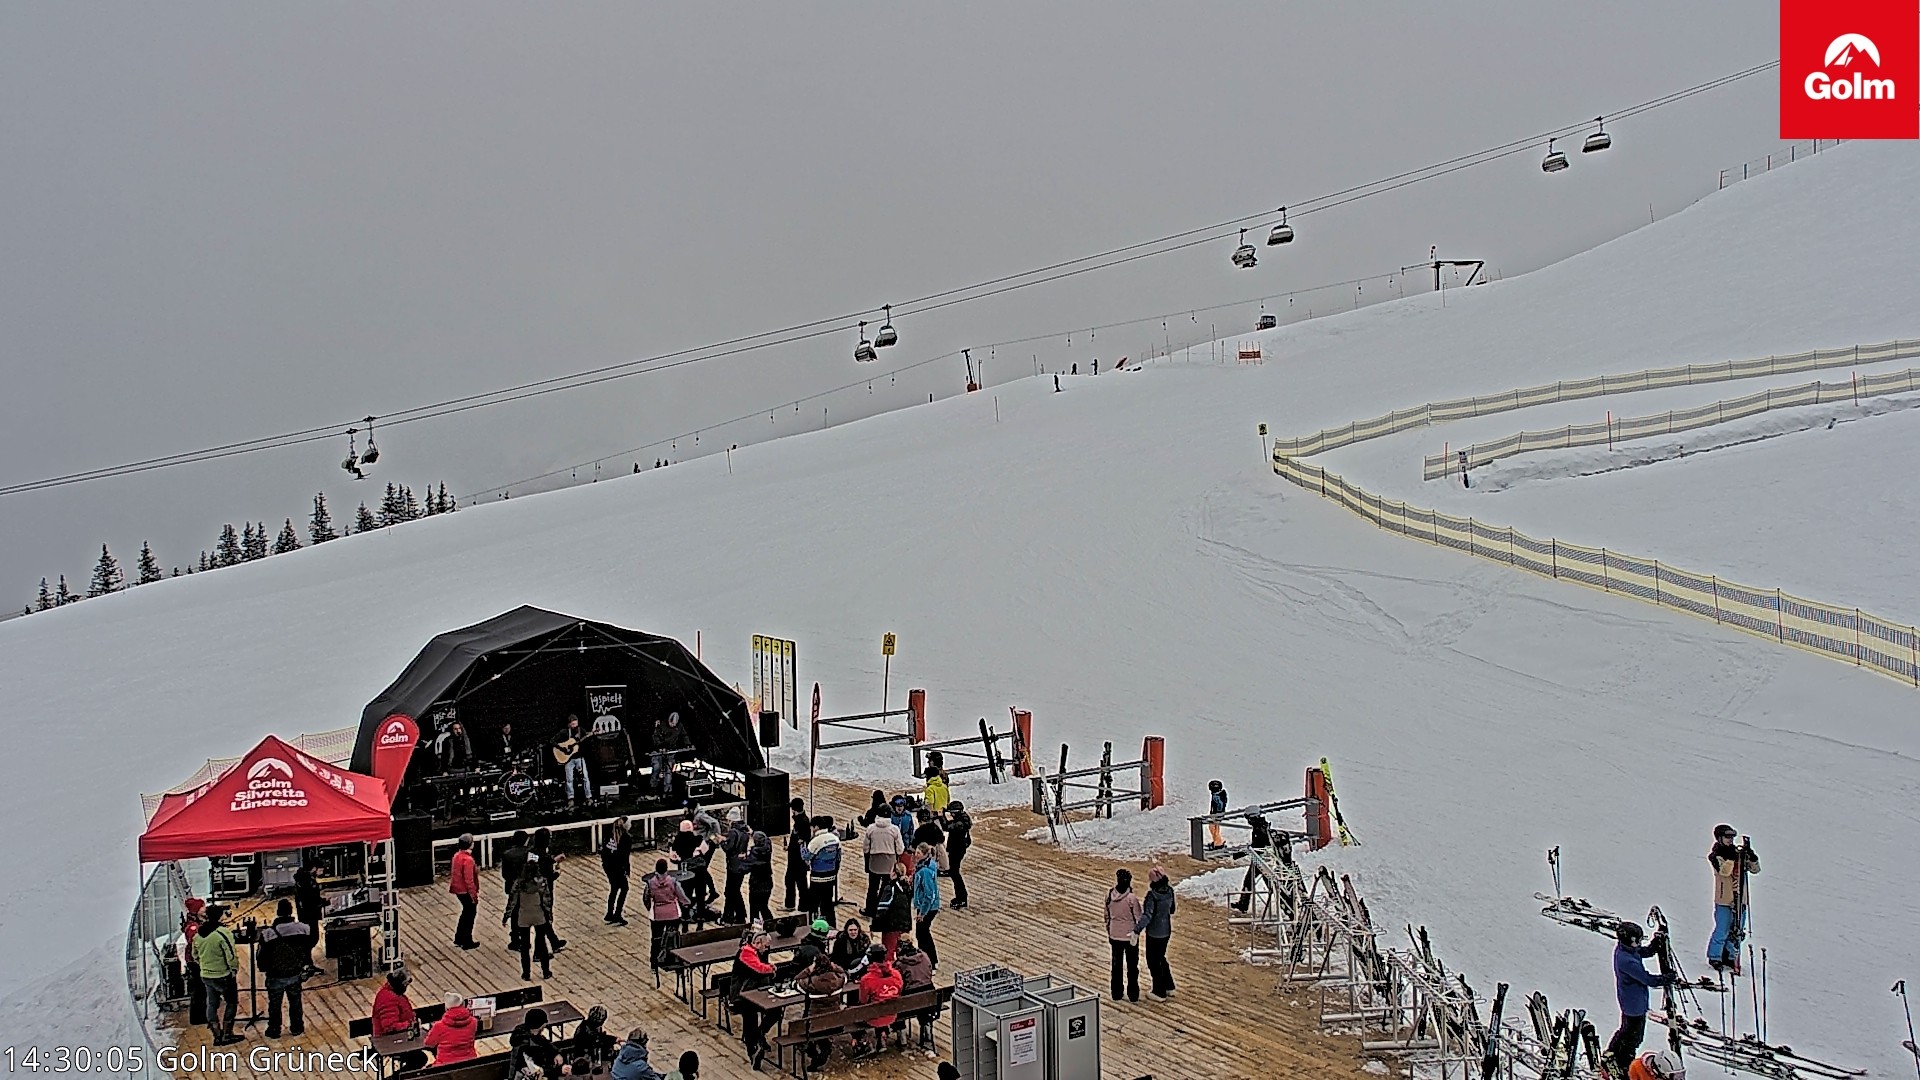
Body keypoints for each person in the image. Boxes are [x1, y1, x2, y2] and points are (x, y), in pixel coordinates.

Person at [1606, 922, 1675, 1079]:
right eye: (1637, 940)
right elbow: (1647, 979)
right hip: (1634, 1004)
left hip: (1632, 1001)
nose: (1639, 943)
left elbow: (1642, 952)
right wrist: (1666, 979)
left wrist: (1654, 945)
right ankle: (1624, 1065)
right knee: (1633, 1037)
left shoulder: (1626, 950)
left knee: (1626, 1030)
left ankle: (1611, 1054)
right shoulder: (1626, 960)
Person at [1707, 825, 1760, 972]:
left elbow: (1755, 869)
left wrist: (1751, 857)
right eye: (1727, 837)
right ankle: (1715, 956)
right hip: (1724, 899)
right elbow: (1725, 871)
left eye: (1732, 837)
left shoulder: (1738, 854)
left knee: (1737, 930)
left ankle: (1730, 956)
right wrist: (1732, 858)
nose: (1730, 840)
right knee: (1722, 929)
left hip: (1740, 900)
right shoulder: (1716, 855)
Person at [256, 899, 310, 1038]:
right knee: (295, 1002)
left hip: (275, 975)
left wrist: (264, 968)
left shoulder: (268, 934)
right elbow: (306, 948)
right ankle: (297, 1027)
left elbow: (261, 956)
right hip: (294, 972)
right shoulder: (303, 928)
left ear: (278, 912)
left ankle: (274, 1029)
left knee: (274, 1004)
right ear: (291, 911)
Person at [728, 929, 779, 1069]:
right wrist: (771, 969)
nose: (768, 948)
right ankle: (753, 1052)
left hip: (758, 991)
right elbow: (759, 968)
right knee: (750, 1018)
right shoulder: (745, 953)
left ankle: (759, 1034)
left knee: (776, 1011)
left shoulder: (759, 952)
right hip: (742, 995)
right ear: (757, 943)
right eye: (766, 945)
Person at [193, 904, 241, 1045]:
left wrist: (204, 966)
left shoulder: (198, 935)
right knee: (231, 1002)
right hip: (223, 975)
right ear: (220, 916)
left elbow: (195, 955)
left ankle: (216, 1034)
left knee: (212, 1003)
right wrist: (233, 969)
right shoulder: (223, 933)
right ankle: (227, 1033)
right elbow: (230, 955)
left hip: (206, 975)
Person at [796, 950, 848, 1071]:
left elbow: (796, 981)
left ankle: (814, 1054)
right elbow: (844, 974)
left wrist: (808, 970)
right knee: (824, 1024)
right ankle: (824, 1049)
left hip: (814, 1026)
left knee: (801, 1032)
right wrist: (835, 967)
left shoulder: (811, 983)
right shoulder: (838, 980)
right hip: (835, 1023)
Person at [373, 969, 427, 1072]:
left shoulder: (393, 993)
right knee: (419, 1059)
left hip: (401, 1037)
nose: (406, 988)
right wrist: (409, 1024)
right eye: (405, 985)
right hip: (389, 1042)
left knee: (422, 1055)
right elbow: (389, 1026)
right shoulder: (388, 999)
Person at [507, 864, 555, 980]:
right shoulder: (541, 882)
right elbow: (546, 900)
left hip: (524, 915)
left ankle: (526, 973)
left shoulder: (519, 883)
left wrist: (506, 915)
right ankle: (546, 971)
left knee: (524, 946)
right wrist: (549, 915)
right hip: (538, 915)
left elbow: (512, 900)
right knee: (541, 943)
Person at [852, 946, 902, 1057]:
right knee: (882, 1003)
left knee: (853, 1014)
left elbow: (863, 1001)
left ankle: (864, 1042)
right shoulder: (896, 974)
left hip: (874, 1018)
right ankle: (882, 1034)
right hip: (892, 1014)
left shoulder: (867, 979)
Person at [1136, 866, 1177, 1000]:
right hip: (1166, 930)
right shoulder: (1170, 891)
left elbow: (1148, 915)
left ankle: (1159, 991)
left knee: (1153, 960)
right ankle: (1169, 985)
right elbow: (1172, 910)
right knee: (1161, 957)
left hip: (1154, 932)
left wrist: (1137, 929)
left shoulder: (1152, 896)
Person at [642, 858, 690, 968]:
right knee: (672, 936)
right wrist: (687, 903)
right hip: (672, 913)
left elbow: (646, 898)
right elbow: (681, 895)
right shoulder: (673, 881)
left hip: (657, 914)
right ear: (666, 869)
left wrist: (650, 908)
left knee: (656, 938)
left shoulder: (650, 883)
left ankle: (654, 961)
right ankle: (670, 958)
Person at [1105, 869, 1144, 1002]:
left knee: (1116, 965)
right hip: (1130, 936)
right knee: (1132, 966)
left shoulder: (1110, 894)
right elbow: (1139, 917)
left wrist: (1109, 929)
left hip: (1114, 934)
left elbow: (1107, 915)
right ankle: (1133, 994)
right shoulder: (1131, 898)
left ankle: (1116, 993)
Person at [862, 806, 905, 916]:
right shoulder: (894, 829)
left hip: (874, 862)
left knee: (872, 887)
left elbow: (866, 848)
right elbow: (900, 849)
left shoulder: (871, 828)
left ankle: (870, 909)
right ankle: (883, 908)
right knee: (887, 886)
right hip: (889, 863)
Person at [529, 829, 567, 955]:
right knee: (544, 917)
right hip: (544, 890)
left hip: (533, 889)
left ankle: (554, 941)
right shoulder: (543, 854)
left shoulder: (532, 852)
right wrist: (556, 872)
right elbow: (546, 870)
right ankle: (540, 952)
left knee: (543, 917)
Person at [895, 940, 936, 1051]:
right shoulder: (925, 956)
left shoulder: (900, 964)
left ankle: (902, 1038)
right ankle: (927, 1032)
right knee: (921, 1002)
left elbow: (898, 983)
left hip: (908, 1005)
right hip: (929, 1001)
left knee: (896, 1006)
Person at [804, 815, 843, 924]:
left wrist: (802, 848)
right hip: (831, 876)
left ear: (816, 827)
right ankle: (832, 926)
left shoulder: (815, 841)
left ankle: (813, 925)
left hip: (817, 877)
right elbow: (839, 857)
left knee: (813, 904)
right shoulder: (835, 838)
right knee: (828, 903)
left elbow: (807, 857)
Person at [875, 858, 914, 961]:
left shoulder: (891, 887)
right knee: (902, 950)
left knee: (889, 952)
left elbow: (883, 907)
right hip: (905, 924)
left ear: (894, 873)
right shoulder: (907, 887)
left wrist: (876, 923)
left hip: (891, 925)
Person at [424, 992, 478, 1065]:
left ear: (446, 1008)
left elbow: (429, 1043)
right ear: (463, 1005)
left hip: (445, 1065)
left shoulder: (439, 1026)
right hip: (470, 1062)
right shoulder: (473, 1022)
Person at [912, 843, 942, 970]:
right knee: (922, 933)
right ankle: (928, 959)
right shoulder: (926, 866)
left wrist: (922, 913)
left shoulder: (925, 871)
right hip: (927, 905)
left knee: (922, 934)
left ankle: (930, 961)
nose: (915, 855)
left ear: (924, 855)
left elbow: (929, 894)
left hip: (928, 907)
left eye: (918, 853)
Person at [292, 864, 324, 977]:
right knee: (312, 939)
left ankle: (307, 963)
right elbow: (312, 899)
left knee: (309, 940)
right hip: (310, 915)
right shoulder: (308, 881)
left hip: (304, 915)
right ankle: (306, 964)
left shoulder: (300, 880)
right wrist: (323, 902)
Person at [509, 1007, 560, 1078]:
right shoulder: (529, 1047)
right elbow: (539, 1070)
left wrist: (555, 1053)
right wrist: (560, 1070)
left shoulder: (528, 1035)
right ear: (540, 1026)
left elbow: (545, 1043)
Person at [450, 833, 481, 949]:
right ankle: (467, 940)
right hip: (465, 891)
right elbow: (469, 880)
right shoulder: (468, 859)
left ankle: (459, 938)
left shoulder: (457, 856)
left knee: (465, 913)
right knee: (470, 914)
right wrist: (474, 895)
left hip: (457, 889)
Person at [602, 817, 634, 925]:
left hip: (608, 865)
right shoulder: (626, 838)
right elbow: (625, 856)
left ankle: (610, 913)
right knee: (624, 888)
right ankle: (617, 914)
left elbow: (604, 849)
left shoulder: (609, 832)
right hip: (617, 867)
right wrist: (627, 869)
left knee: (614, 888)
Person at [651, 711, 690, 798]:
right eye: (671, 723)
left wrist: (688, 744)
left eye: (674, 724)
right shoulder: (661, 724)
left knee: (669, 771)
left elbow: (684, 735)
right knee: (657, 767)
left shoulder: (679, 726)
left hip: (671, 751)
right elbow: (655, 736)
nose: (672, 725)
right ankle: (653, 787)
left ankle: (667, 791)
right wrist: (660, 746)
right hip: (658, 751)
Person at [721, 815, 752, 924]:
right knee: (734, 890)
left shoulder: (733, 832)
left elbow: (728, 848)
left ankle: (733, 916)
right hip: (741, 866)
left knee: (730, 891)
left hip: (733, 866)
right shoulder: (745, 831)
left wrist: (722, 842)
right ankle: (736, 915)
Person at [943, 801, 973, 909]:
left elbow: (947, 827)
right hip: (958, 849)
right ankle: (960, 896)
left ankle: (962, 897)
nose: (951, 815)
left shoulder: (960, 824)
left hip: (957, 849)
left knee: (955, 873)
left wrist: (941, 816)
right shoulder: (963, 819)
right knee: (954, 873)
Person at [784, 798, 813, 912]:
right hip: (795, 858)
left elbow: (803, 839)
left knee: (799, 882)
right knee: (793, 881)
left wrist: (792, 846)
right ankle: (793, 905)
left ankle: (801, 906)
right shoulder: (800, 820)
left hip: (798, 859)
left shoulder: (803, 822)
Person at [558, 715, 591, 807]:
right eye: (573, 724)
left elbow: (586, 740)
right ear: (569, 724)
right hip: (568, 759)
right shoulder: (564, 732)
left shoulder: (581, 731)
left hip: (579, 757)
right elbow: (553, 741)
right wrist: (563, 749)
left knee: (585, 777)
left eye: (576, 723)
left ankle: (588, 797)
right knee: (569, 779)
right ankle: (570, 798)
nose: (575, 726)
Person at [745, 829, 776, 927]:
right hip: (768, 881)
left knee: (754, 909)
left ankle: (755, 928)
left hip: (756, 884)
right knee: (763, 906)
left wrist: (743, 859)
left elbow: (746, 867)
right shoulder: (767, 848)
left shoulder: (754, 853)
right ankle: (771, 925)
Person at [913, 808, 949, 877]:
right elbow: (942, 839)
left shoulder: (919, 831)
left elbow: (914, 845)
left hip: (926, 857)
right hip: (937, 857)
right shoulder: (935, 827)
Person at [1206, 780, 1228, 849]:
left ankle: (1218, 843)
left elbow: (1219, 805)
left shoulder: (1217, 796)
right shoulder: (1218, 795)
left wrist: (1216, 814)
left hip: (1217, 814)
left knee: (1213, 827)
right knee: (1215, 828)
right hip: (1216, 814)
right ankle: (1217, 841)